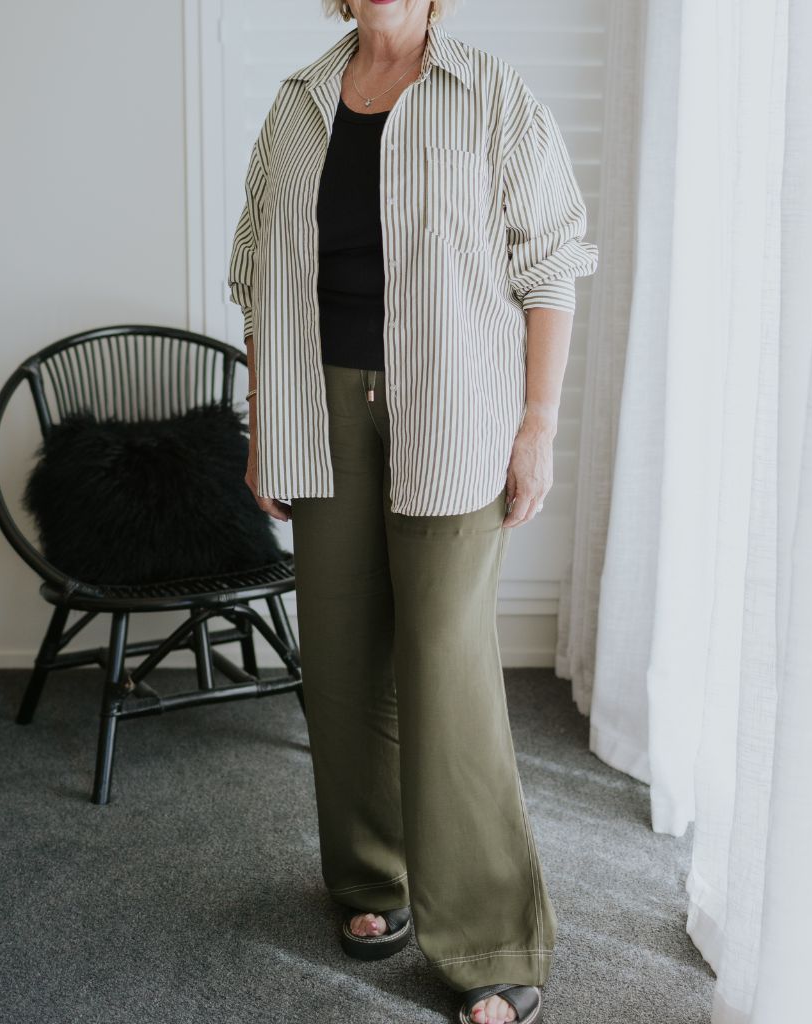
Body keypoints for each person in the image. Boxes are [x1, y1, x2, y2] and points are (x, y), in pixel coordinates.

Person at [227, 1, 598, 1021]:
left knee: (445, 665)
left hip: (455, 410)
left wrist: (536, 424)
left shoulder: (489, 94)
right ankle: (367, 878)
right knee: (342, 658)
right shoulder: (298, 104)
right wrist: (267, 427)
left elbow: (553, 260)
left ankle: (490, 940)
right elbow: (258, 278)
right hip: (323, 409)